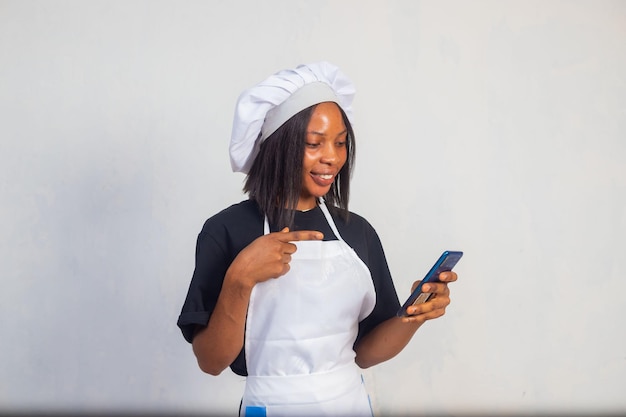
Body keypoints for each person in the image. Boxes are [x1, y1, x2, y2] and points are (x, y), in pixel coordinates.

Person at [177, 61, 458, 417]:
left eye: (341, 143)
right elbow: (211, 361)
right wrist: (240, 277)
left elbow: (365, 353)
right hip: (271, 406)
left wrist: (412, 317)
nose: (332, 157)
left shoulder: (357, 232)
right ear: (278, 145)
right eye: (314, 143)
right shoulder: (226, 230)